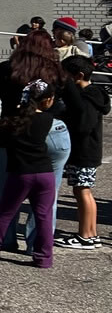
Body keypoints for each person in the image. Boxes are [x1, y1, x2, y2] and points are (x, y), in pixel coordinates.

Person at [0, 28, 67, 252]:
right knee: (47, 198)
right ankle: (38, 247)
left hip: (14, 130)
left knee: (7, 193)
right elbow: (69, 103)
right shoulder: (56, 70)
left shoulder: (5, 69)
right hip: (52, 129)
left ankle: (4, 240)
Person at [0, 80, 60, 268]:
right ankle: (44, 257)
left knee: (6, 212)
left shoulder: (13, 120)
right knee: (43, 216)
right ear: (46, 100)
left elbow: (6, 141)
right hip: (45, 173)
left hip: (21, 173)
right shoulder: (47, 119)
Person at [55, 54, 107, 250]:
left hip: (84, 151)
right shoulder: (94, 94)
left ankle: (84, 235)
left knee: (82, 191)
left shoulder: (87, 98)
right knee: (85, 191)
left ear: (79, 75)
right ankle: (91, 234)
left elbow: (84, 124)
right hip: (89, 151)